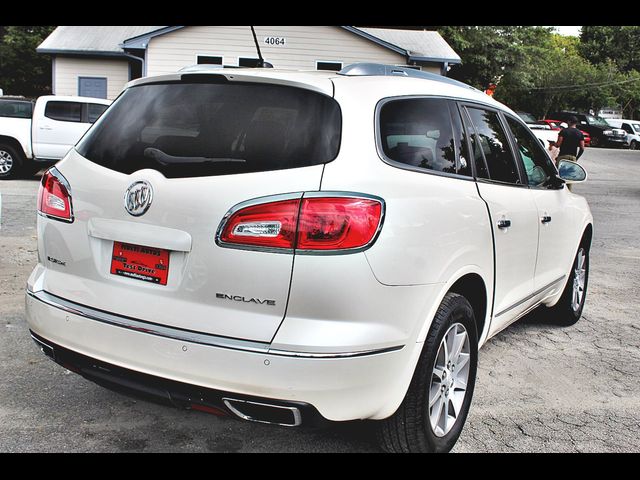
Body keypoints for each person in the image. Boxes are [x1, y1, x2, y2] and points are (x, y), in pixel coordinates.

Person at [549, 116, 585, 191]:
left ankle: (558, 191)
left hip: (562, 156)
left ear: (569, 122)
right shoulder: (580, 133)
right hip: (572, 157)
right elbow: (582, 148)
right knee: (569, 178)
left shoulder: (563, 131)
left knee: (559, 176)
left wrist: (552, 144)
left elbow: (558, 144)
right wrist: (576, 158)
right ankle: (568, 192)